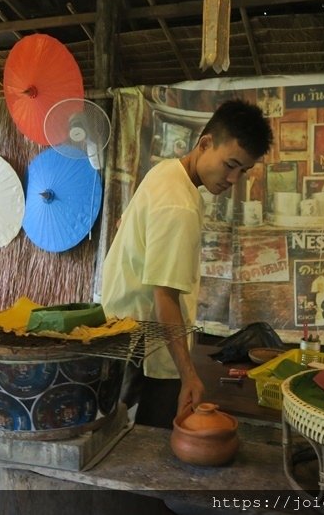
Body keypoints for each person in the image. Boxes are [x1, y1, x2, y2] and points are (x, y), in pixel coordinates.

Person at [101, 99, 273, 428]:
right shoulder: (177, 205)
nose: (234, 179)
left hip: (124, 327)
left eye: (244, 171)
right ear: (205, 143)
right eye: (230, 164)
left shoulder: (168, 171)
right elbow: (164, 296)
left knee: (124, 431)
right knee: (152, 440)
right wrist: (189, 375)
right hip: (145, 342)